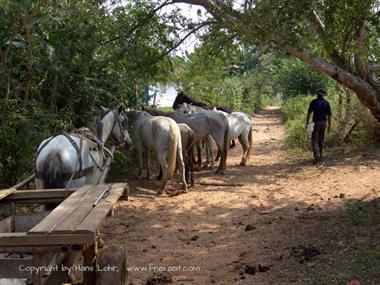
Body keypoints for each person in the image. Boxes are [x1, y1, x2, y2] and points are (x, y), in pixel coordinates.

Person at [305, 88, 332, 164]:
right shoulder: (326, 103)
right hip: (324, 122)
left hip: (316, 122)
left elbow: (309, 113)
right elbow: (329, 115)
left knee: (314, 139)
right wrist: (329, 125)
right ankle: (320, 156)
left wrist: (307, 122)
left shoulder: (313, 102)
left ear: (317, 94)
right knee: (321, 139)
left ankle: (317, 155)